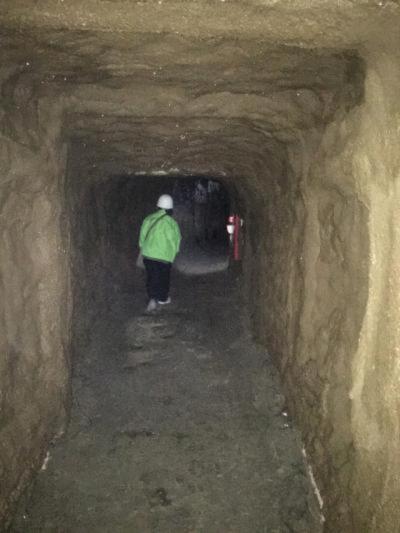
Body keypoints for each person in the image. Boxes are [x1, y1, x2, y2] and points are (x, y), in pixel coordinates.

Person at [138, 194, 181, 312]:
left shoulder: (148, 219)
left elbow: (142, 237)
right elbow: (174, 239)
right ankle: (162, 298)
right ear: (171, 209)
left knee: (151, 276)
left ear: (158, 206)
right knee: (163, 277)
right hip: (163, 256)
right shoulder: (171, 223)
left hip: (148, 255)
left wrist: (143, 247)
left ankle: (152, 297)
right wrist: (174, 251)